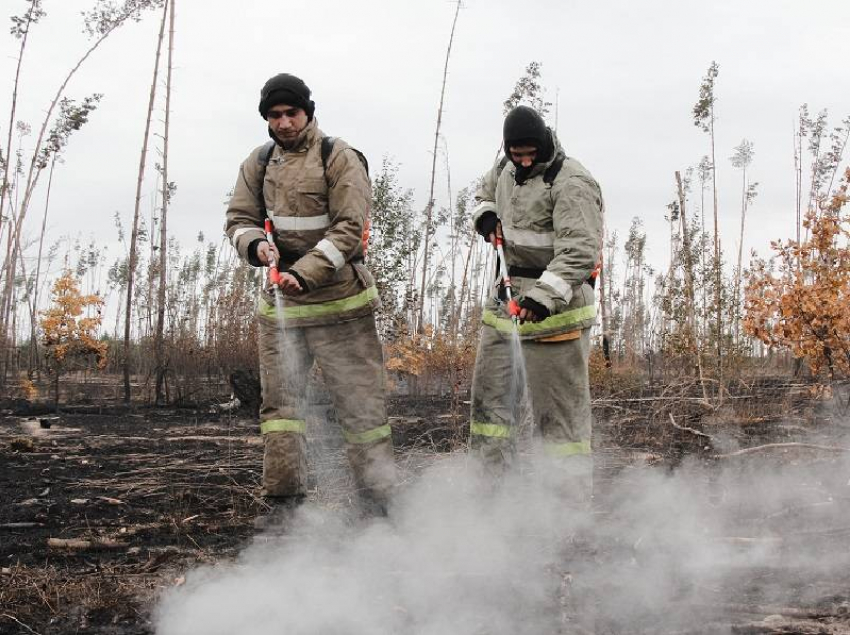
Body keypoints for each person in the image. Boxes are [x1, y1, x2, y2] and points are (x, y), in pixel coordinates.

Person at [225, 73, 396, 521]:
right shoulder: (258, 163)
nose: (283, 123)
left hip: (341, 306)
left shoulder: (338, 157)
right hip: (283, 308)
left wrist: (306, 272)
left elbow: (348, 230)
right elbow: (239, 218)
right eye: (274, 115)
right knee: (280, 409)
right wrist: (255, 247)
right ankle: (284, 502)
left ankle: (378, 502)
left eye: (291, 113)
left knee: (361, 407)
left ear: (308, 112)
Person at [469, 105, 604, 503]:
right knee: (490, 411)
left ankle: (568, 510)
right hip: (505, 306)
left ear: (544, 144)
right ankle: (489, 500)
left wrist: (542, 298)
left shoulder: (572, 181)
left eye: (531, 153)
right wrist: (485, 215)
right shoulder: (506, 168)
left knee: (559, 422)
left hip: (557, 314)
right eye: (517, 154)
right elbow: (482, 192)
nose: (524, 161)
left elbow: (579, 251)